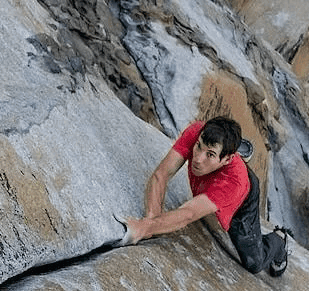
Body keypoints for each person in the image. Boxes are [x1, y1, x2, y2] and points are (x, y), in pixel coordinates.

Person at [117, 117, 289, 276]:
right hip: (225, 167)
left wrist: (145, 227)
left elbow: (188, 214)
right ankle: (228, 150)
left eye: (210, 154)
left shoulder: (233, 184)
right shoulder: (198, 131)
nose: (197, 159)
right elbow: (161, 175)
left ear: (227, 160)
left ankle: (279, 240)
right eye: (198, 146)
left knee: (254, 263)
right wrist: (150, 222)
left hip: (243, 196)